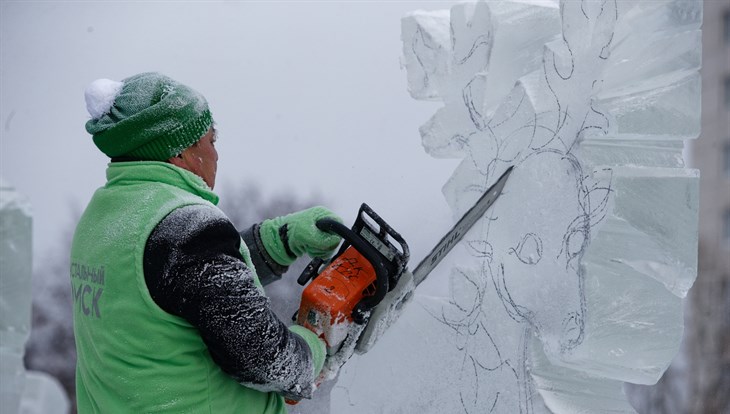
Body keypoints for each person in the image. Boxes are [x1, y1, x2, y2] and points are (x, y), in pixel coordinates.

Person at [71, 72, 342, 413]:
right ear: (180, 150)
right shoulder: (187, 229)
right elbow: (263, 358)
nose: (216, 155)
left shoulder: (104, 218)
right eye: (211, 141)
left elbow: (183, 289)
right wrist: (314, 348)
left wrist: (278, 240)